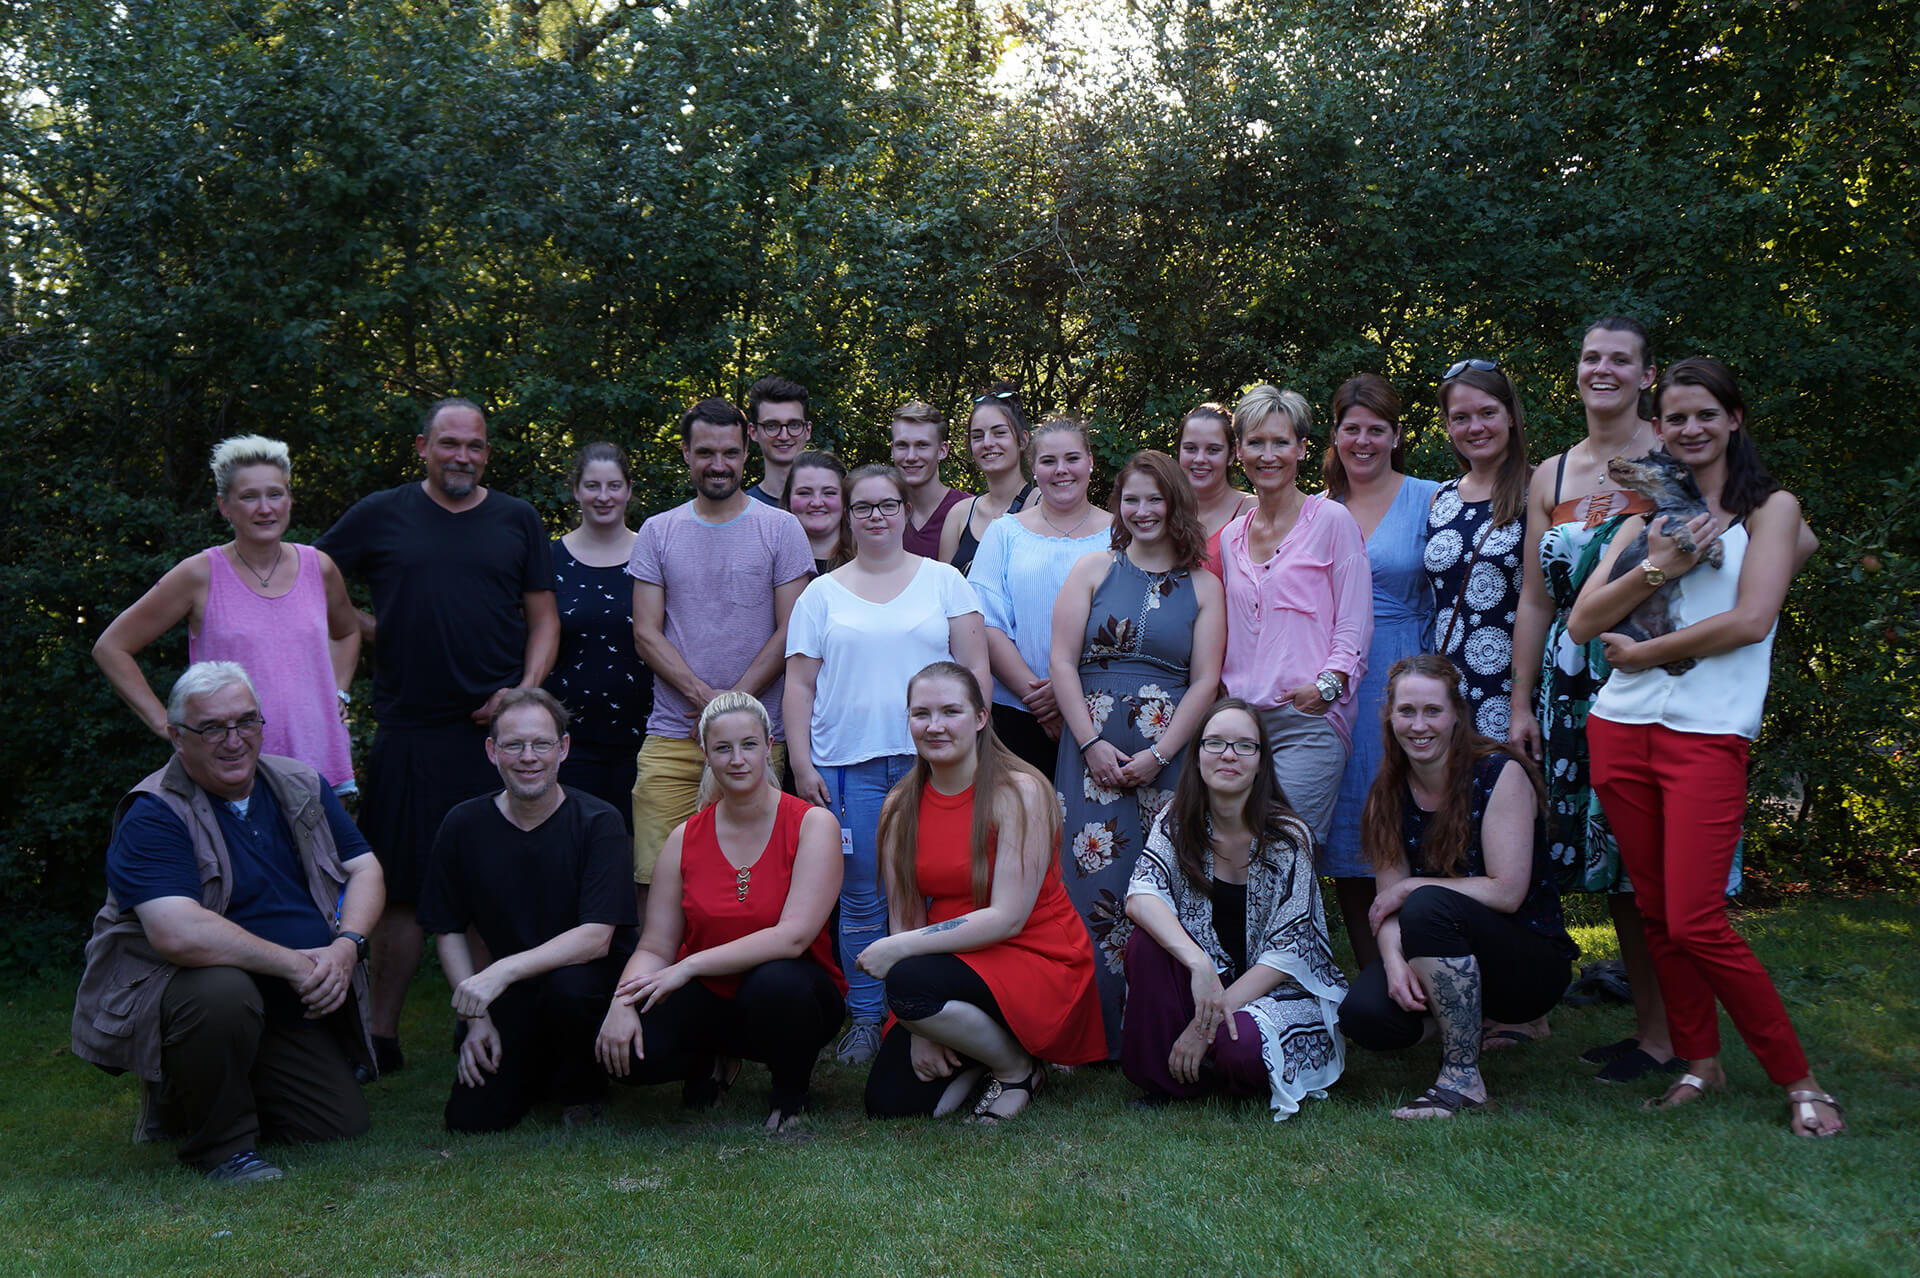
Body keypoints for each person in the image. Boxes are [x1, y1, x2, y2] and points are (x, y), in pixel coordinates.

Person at [1570, 357, 1843, 1137]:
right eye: (1675, 418)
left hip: (1706, 734)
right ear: (1657, 429)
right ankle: (1700, 1064)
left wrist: (1648, 650)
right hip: (1620, 731)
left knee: (1697, 921)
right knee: (1658, 914)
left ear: (1734, 421)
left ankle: (1799, 1080)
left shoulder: (1772, 511)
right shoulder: (1642, 518)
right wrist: (1664, 559)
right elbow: (1585, 623)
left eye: (1705, 415)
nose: (1690, 429)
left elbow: (1753, 621)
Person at [317, 396, 559, 1075]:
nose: (462, 456)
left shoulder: (517, 519)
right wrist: (370, 631)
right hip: (408, 729)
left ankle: (484, 1021)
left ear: (487, 451)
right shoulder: (381, 514)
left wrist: (523, 692)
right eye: (449, 443)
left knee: (493, 884)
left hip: (494, 736)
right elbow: (314, 583)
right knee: (395, 890)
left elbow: (544, 620)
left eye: (475, 445)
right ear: (422, 445)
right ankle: (378, 1037)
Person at [71, 661, 383, 1182]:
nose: (233, 740)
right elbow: (178, 933)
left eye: (246, 722)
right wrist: (295, 964)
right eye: (212, 727)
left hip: (284, 1001)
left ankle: (201, 1089)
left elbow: (364, 868)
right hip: (195, 991)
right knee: (220, 991)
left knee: (337, 1124)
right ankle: (220, 1150)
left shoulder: (301, 782)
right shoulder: (154, 812)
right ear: (176, 736)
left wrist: (346, 945)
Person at [785, 465, 991, 1066]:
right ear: (848, 518)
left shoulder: (945, 581)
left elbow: (975, 669)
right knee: (861, 898)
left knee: (938, 890)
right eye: (864, 507)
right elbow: (798, 686)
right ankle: (867, 1019)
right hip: (846, 763)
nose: (877, 516)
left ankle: (927, 1012)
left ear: (906, 511)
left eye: (888, 505)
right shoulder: (820, 594)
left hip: (934, 763)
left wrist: (977, 746)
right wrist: (801, 764)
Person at [860, 663, 1105, 1122]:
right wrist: (920, 1026)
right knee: (892, 1105)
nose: (934, 726)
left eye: (951, 711)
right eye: (921, 714)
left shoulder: (1019, 791)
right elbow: (906, 914)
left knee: (908, 982)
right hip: (949, 961)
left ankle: (1017, 1070)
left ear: (980, 717)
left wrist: (900, 955)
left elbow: (1007, 917)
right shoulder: (899, 806)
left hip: (1031, 954)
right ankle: (979, 1045)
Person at [1337, 656, 1576, 1119]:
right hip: (1442, 942)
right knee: (1364, 1016)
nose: (1419, 725)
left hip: (1528, 962)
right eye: (1407, 711)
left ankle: (1462, 1078)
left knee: (1426, 903)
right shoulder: (1385, 794)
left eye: (1433, 711)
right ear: (1390, 716)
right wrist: (1391, 961)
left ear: (1456, 716)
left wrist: (1414, 889)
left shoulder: (1498, 774)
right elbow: (1387, 904)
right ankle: (1462, 1019)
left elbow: (1507, 891)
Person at [596, 693, 844, 1131]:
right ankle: (710, 1057)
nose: (737, 760)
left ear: (769, 746)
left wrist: (687, 966)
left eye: (749, 745)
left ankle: (790, 1092)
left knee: (775, 981)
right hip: (710, 995)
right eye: (723, 748)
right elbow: (655, 944)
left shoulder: (812, 824)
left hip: (794, 994)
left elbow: (794, 937)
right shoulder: (683, 838)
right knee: (632, 1057)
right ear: (705, 755)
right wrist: (621, 1003)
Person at [1049, 450, 1226, 1053]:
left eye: (1156, 498)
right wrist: (1090, 742)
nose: (1143, 510)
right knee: (1087, 881)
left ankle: (1153, 1028)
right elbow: (1061, 662)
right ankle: (1086, 1031)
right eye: (1132, 499)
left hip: (1167, 754)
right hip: (1089, 753)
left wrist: (1160, 754)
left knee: (1160, 882)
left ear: (1176, 502)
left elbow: (1205, 680)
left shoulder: (1205, 585)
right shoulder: (1094, 568)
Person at [420, 689, 637, 1133]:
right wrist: (474, 1017)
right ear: (491, 751)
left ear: (564, 748)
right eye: (514, 745)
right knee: (471, 1119)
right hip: (514, 994)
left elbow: (596, 937)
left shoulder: (600, 822)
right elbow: (447, 928)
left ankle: (583, 1090)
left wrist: (500, 972)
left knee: (568, 988)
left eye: (541, 744)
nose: (528, 757)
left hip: (587, 986)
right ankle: (535, 1070)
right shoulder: (463, 824)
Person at [629, 397, 814, 915]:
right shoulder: (657, 531)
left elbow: (790, 630)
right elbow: (646, 634)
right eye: (705, 452)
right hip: (671, 736)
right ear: (686, 454)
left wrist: (730, 708)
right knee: (653, 878)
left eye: (730, 452)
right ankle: (655, 987)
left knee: (751, 885)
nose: (718, 464)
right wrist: (705, 700)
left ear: (746, 450)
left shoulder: (781, 529)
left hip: (755, 738)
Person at [93, 435, 358, 792]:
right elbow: (112, 647)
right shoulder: (200, 574)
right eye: (249, 497)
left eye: (275, 494)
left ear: (290, 500)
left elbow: (346, 632)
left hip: (319, 765)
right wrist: (167, 724)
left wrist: (338, 694)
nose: (265, 508)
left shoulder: (319, 567)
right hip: (233, 771)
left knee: (327, 850)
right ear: (224, 506)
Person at [1121, 698, 1347, 1116]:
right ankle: (1166, 1081)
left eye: (1245, 746)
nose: (1229, 754)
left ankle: (1208, 1058)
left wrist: (1202, 1028)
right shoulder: (1176, 820)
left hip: (1274, 990)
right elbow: (1141, 895)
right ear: (1198, 756)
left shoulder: (1288, 836)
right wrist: (1199, 964)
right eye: (1216, 743)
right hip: (1208, 979)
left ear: (1261, 762)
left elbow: (1289, 953)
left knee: (1239, 1051)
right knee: (1146, 944)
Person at [1218, 385, 1372, 847]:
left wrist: (1327, 686)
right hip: (1241, 723)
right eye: (1256, 442)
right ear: (1239, 450)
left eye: (1281, 442)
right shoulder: (1230, 538)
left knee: (1285, 854)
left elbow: (1355, 623)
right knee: (1235, 855)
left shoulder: (1332, 521)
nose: (1269, 455)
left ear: (1303, 449)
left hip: (1307, 718)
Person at [1323, 376, 1441, 971]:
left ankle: (1435, 962)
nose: (1363, 441)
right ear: (1336, 434)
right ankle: (1376, 975)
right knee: (1352, 821)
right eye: (1352, 429)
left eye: (1377, 429)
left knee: (1418, 813)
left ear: (1397, 435)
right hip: (1342, 684)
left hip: (1410, 672)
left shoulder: (1432, 498)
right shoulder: (1318, 508)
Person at [968, 417, 1114, 773]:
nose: (1061, 470)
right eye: (1049, 461)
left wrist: (1067, 694)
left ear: (1090, 461)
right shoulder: (1004, 533)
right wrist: (1039, 700)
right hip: (1018, 714)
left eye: (1072, 458)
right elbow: (985, 623)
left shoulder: (1119, 534)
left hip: (1101, 713)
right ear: (1033, 467)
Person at [544, 443, 652, 832]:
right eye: (592, 486)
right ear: (575, 490)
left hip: (645, 735)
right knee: (572, 848)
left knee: (635, 858)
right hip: (569, 738)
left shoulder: (653, 553)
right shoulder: (548, 558)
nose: (603, 497)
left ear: (628, 489)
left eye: (613, 486)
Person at [1423, 360, 1531, 740]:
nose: (1476, 427)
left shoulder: (1539, 492)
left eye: (1488, 413)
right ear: (1449, 427)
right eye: (1461, 418)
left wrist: (1522, 704)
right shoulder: (1442, 498)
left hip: (1512, 688)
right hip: (1446, 688)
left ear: (1510, 417)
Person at [939, 383, 1038, 575]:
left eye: (999, 433)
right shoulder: (960, 515)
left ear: (1023, 440)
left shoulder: (1043, 505)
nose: (988, 443)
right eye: (977, 436)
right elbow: (945, 595)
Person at [1175, 401, 1254, 576]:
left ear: (1231, 455)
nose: (1200, 459)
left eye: (1213, 450)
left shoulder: (1251, 512)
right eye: (1190, 448)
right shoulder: (1164, 510)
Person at [890, 400, 971, 557]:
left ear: (942, 451)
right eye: (902, 445)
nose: (911, 456)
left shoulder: (970, 513)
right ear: (892, 450)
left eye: (922, 445)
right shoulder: (880, 514)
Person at [744, 375, 813, 507]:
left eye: (794, 425)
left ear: (808, 430)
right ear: (753, 432)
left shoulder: (833, 507)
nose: (784, 436)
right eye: (771, 426)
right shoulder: (742, 510)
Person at [786, 450, 849, 573]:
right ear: (788, 498)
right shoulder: (768, 562)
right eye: (804, 493)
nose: (817, 503)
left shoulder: (870, 560)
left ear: (845, 499)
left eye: (829, 493)